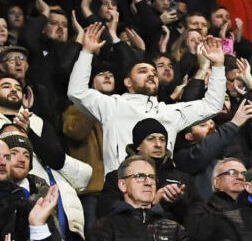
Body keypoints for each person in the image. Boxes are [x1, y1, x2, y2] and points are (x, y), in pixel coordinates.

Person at [66, 23, 228, 174]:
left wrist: (219, 65)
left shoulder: (170, 112)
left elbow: (213, 105)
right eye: (143, 71)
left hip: (160, 191)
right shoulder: (112, 105)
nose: (151, 74)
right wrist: (86, 53)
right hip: (120, 188)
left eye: (153, 72)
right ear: (127, 82)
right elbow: (77, 92)